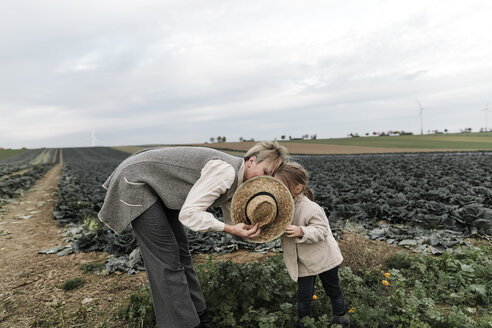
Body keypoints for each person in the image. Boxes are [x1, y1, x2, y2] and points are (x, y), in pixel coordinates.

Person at [98, 141, 288, 328]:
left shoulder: (240, 180)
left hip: (162, 187)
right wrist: (229, 229)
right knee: (166, 261)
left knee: (183, 254)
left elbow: (233, 220)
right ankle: (182, 324)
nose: (264, 179)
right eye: (264, 172)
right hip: (137, 181)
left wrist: (254, 228)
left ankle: (200, 317)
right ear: (251, 161)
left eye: (270, 177)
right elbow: (190, 215)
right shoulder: (225, 171)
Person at [275, 162, 350, 328]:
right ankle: (305, 323)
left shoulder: (311, 208)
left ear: (297, 188)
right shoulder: (281, 207)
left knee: (333, 289)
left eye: (283, 185)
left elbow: (322, 231)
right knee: (304, 296)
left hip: (324, 257)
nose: (278, 189)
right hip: (303, 260)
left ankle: (341, 318)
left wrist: (302, 231)